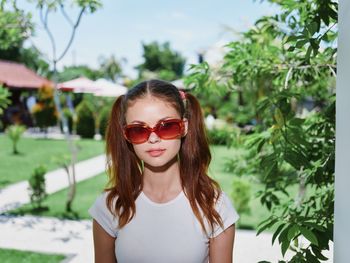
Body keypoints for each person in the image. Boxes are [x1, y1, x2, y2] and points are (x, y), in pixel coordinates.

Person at [88, 79, 239, 263]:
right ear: (126, 135)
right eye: (138, 129)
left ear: (184, 127)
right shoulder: (110, 206)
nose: (153, 138)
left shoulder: (214, 205)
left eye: (166, 126)